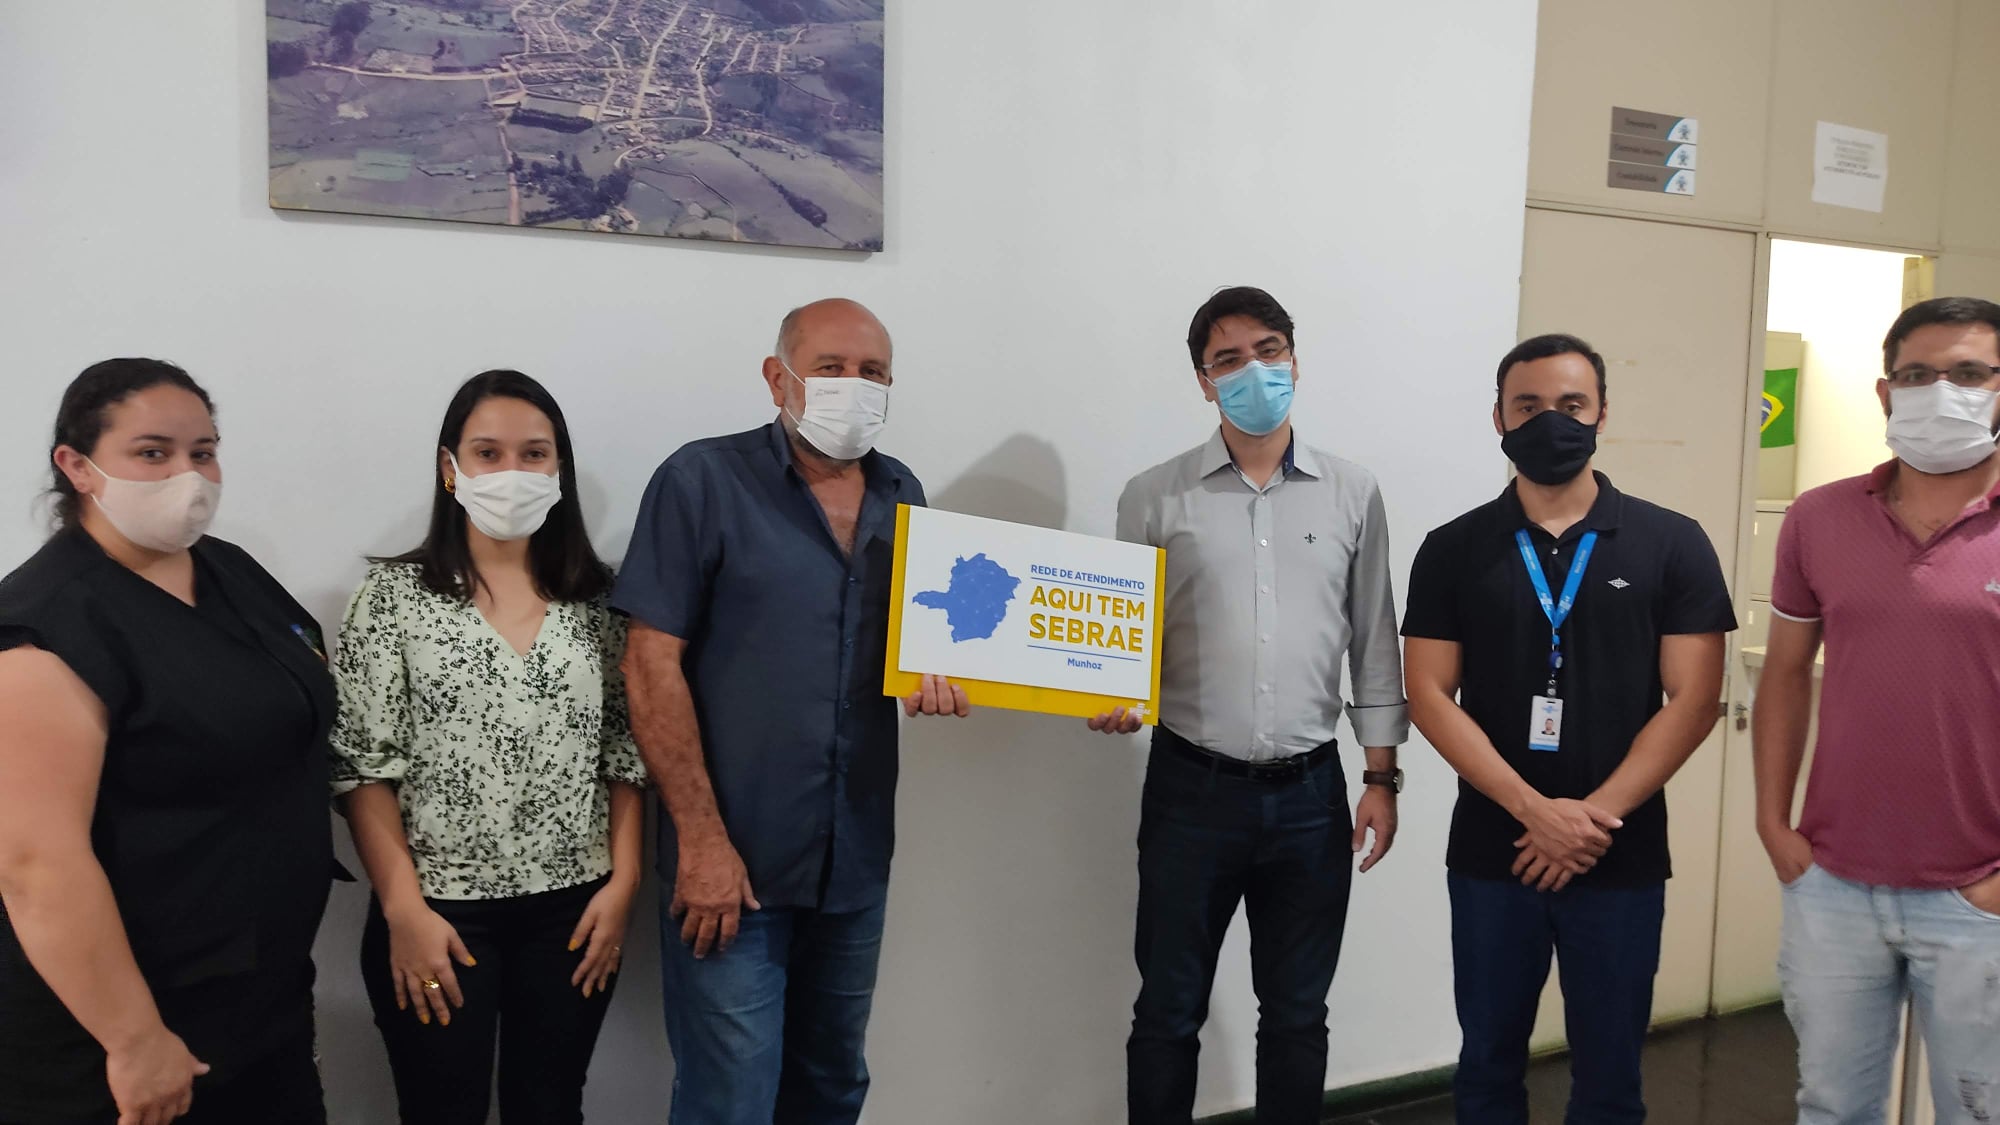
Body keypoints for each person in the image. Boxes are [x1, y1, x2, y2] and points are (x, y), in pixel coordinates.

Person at [615, 298, 967, 1125]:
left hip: (853, 857)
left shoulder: (904, 493)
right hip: (732, 865)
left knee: (833, 1085)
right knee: (730, 1101)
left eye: (873, 372)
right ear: (779, 379)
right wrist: (701, 841)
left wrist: (953, 672)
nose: (855, 385)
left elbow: (925, 644)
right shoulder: (701, 481)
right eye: (831, 368)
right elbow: (648, 665)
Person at [1091, 286, 1409, 1125]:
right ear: (1204, 381)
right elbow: (1122, 637)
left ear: (1295, 360)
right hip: (1190, 791)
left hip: (1311, 796)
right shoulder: (1154, 495)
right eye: (1228, 360)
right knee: (1168, 1010)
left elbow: (1374, 638)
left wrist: (1382, 777)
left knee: (1298, 1014)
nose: (1253, 371)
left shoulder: (1353, 492)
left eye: (1269, 351)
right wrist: (1111, 690)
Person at [1403, 333, 1734, 1124]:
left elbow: (1694, 699)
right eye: (1528, 406)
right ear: (1498, 418)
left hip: (1618, 852)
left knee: (1611, 1078)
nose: (1550, 420)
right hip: (1494, 850)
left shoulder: (1672, 541)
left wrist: (1589, 819)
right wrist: (1534, 811)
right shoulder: (1452, 548)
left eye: (1571, 404)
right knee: (1486, 1065)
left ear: (1602, 414)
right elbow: (1429, 693)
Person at [0, 359, 337, 1124]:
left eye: (203, 451)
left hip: (261, 999)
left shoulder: (230, 572)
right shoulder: (45, 627)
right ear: (76, 465)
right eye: (152, 453)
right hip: (120, 1025)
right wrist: (134, 1040)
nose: (188, 474)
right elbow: (36, 866)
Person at [330, 370, 647, 1125]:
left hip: (575, 911)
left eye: (534, 453)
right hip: (437, 912)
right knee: (442, 1109)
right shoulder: (393, 598)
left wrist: (625, 884)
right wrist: (403, 908)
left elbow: (625, 754)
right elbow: (363, 766)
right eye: (488, 452)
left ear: (559, 469)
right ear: (451, 467)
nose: (512, 471)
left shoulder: (604, 601)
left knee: (551, 1107)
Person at [1753, 296, 2000, 1124]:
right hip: (1833, 882)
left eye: (1970, 373)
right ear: (1886, 392)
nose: (1941, 391)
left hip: (1980, 889)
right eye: (1918, 373)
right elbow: (1785, 673)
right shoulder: (1819, 517)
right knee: (1831, 1105)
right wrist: (1774, 825)